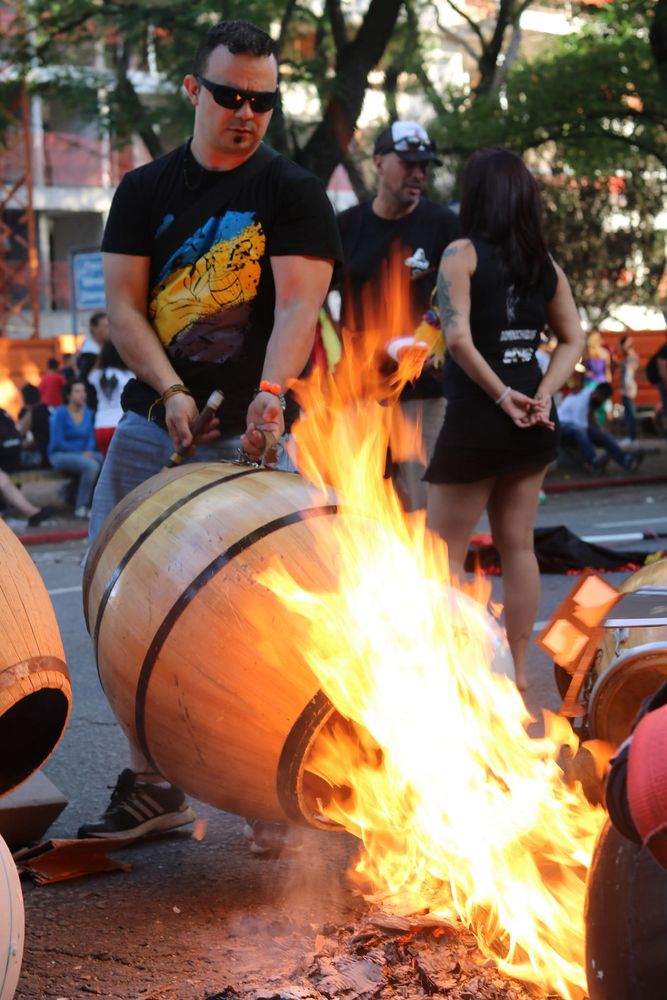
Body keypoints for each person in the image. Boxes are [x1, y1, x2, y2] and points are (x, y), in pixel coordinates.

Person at [77, 19, 341, 854]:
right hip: (157, 426)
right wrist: (170, 389)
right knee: (116, 594)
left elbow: (299, 306)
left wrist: (269, 395)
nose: (246, 113)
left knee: (273, 616)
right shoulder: (144, 191)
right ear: (194, 90)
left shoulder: (290, 191)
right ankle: (153, 783)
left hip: (250, 443)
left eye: (262, 100)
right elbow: (123, 308)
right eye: (230, 95)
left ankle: (269, 794)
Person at [424, 148, 585, 692]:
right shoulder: (545, 264)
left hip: (478, 419)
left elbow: (458, 338)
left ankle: (453, 669)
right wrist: (540, 392)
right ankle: (516, 671)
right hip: (534, 422)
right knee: (518, 546)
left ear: (476, 195)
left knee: (441, 550)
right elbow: (574, 339)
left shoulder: (460, 254)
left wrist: (501, 397)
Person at [336, 120, 461, 512]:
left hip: (422, 393)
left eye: (424, 166)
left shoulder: (442, 224)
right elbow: (318, 301)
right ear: (378, 163)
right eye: (408, 163)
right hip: (359, 390)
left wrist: (430, 345)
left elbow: (457, 300)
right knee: (359, 506)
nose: (418, 174)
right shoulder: (347, 226)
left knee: (422, 508)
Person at [557, 379, 644, 473]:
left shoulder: (589, 393)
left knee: (602, 435)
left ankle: (626, 460)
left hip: (574, 424)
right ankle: (594, 461)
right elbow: (582, 427)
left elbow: (589, 415)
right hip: (561, 425)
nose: (602, 402)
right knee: (580, 432)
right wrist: (596, 436)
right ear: (597, 395)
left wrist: (600, 430)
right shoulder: (581, 404)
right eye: (602, 400)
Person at [48, 379, 103, 517]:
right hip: (60, 454)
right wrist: (81, 453)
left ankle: (95, 504)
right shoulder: (60, 413)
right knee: (91, 466)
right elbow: (58, 441)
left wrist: (88, 451)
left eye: (83, 391)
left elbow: (91, 437)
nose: (82, 394)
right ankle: (81, 506)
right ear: (69, 395)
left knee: (105, 460)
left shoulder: (88, 412)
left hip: (84, 453)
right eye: (77, 391)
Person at [87, 341, 134, 458]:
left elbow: (90, 376)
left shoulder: (97, 374)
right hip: (121, 423)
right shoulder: (129, 374)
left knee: (107, 466)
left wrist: (101, 357)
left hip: (101, 425)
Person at [17, 384, 51, 469]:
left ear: (24, 399)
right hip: (54, 452)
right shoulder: (48, 409)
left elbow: (17, 435)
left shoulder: (31, 413)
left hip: (43, 456)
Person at [617, 333, 639, 447]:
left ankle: (632, 437)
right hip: (627, 387)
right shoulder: (628, 357)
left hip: (628, 388)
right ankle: (631, 437)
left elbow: (629, 374)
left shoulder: (631, 356)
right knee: (628, 413)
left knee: (630, 413)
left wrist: (627, 388)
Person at [77, 312, 110, 381]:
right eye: (106, 326)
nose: (109, 330)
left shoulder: (109, 347)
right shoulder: (88, 354)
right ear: (94, 328)